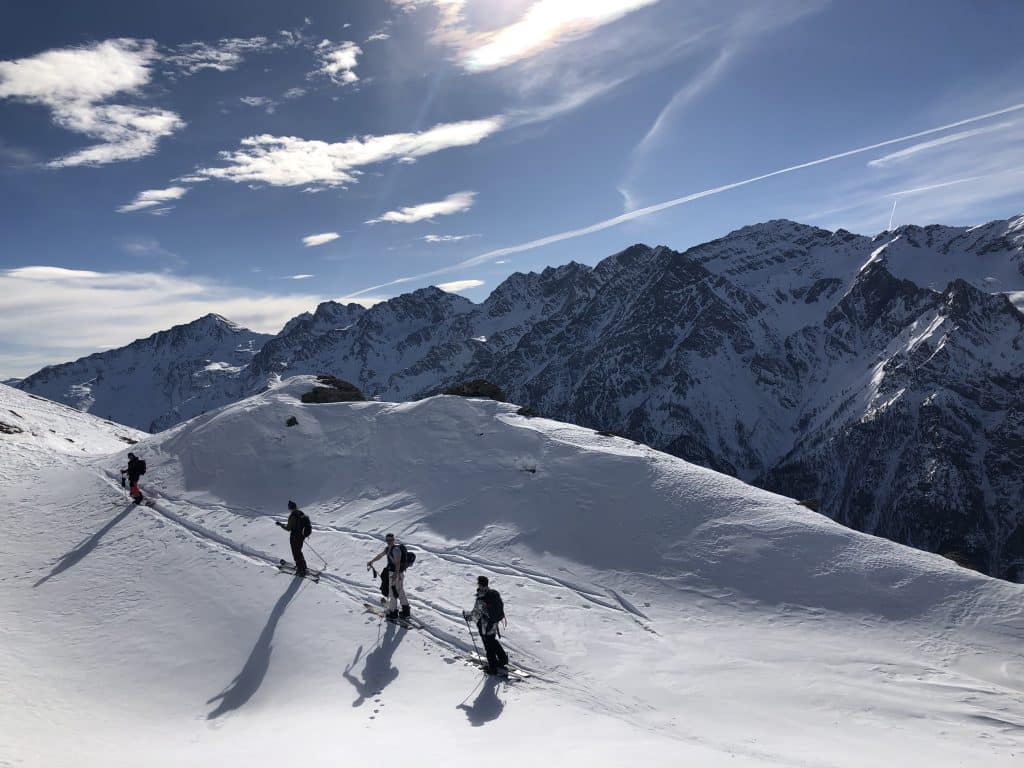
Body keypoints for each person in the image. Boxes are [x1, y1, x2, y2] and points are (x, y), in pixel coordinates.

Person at [464, 575, 508, 675]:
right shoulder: (493, 594)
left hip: (485, 626)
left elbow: (476, 614)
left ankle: (492, 668)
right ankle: (503, 660)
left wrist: (468, 617)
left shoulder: (481, 598)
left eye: (478, 583)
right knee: (493, 641)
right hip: (494, 624)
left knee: (488, 646)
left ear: (480, 584)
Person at [367, 533, 410, 620]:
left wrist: (395, 574)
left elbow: (397, 563)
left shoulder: (396, 550)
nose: (389, 542)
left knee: (393, 592)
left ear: (394, 540)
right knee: (400, 590)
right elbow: (380, 555)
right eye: (387, 540)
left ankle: (393, 613)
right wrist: (372, 561)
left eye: (390, 540)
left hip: (395, 573)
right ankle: (406, 611)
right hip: (398, 573)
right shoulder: (388, 549)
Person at [276, 500, 312, 576]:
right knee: (299, 551)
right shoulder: (301, 513)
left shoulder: (292, 516)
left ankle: (300, 569)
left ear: (290, 508)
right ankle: (303, 566)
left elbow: (288, 528)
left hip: (295, 537)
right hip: (302, 536)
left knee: (296, 553)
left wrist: (280, 524)